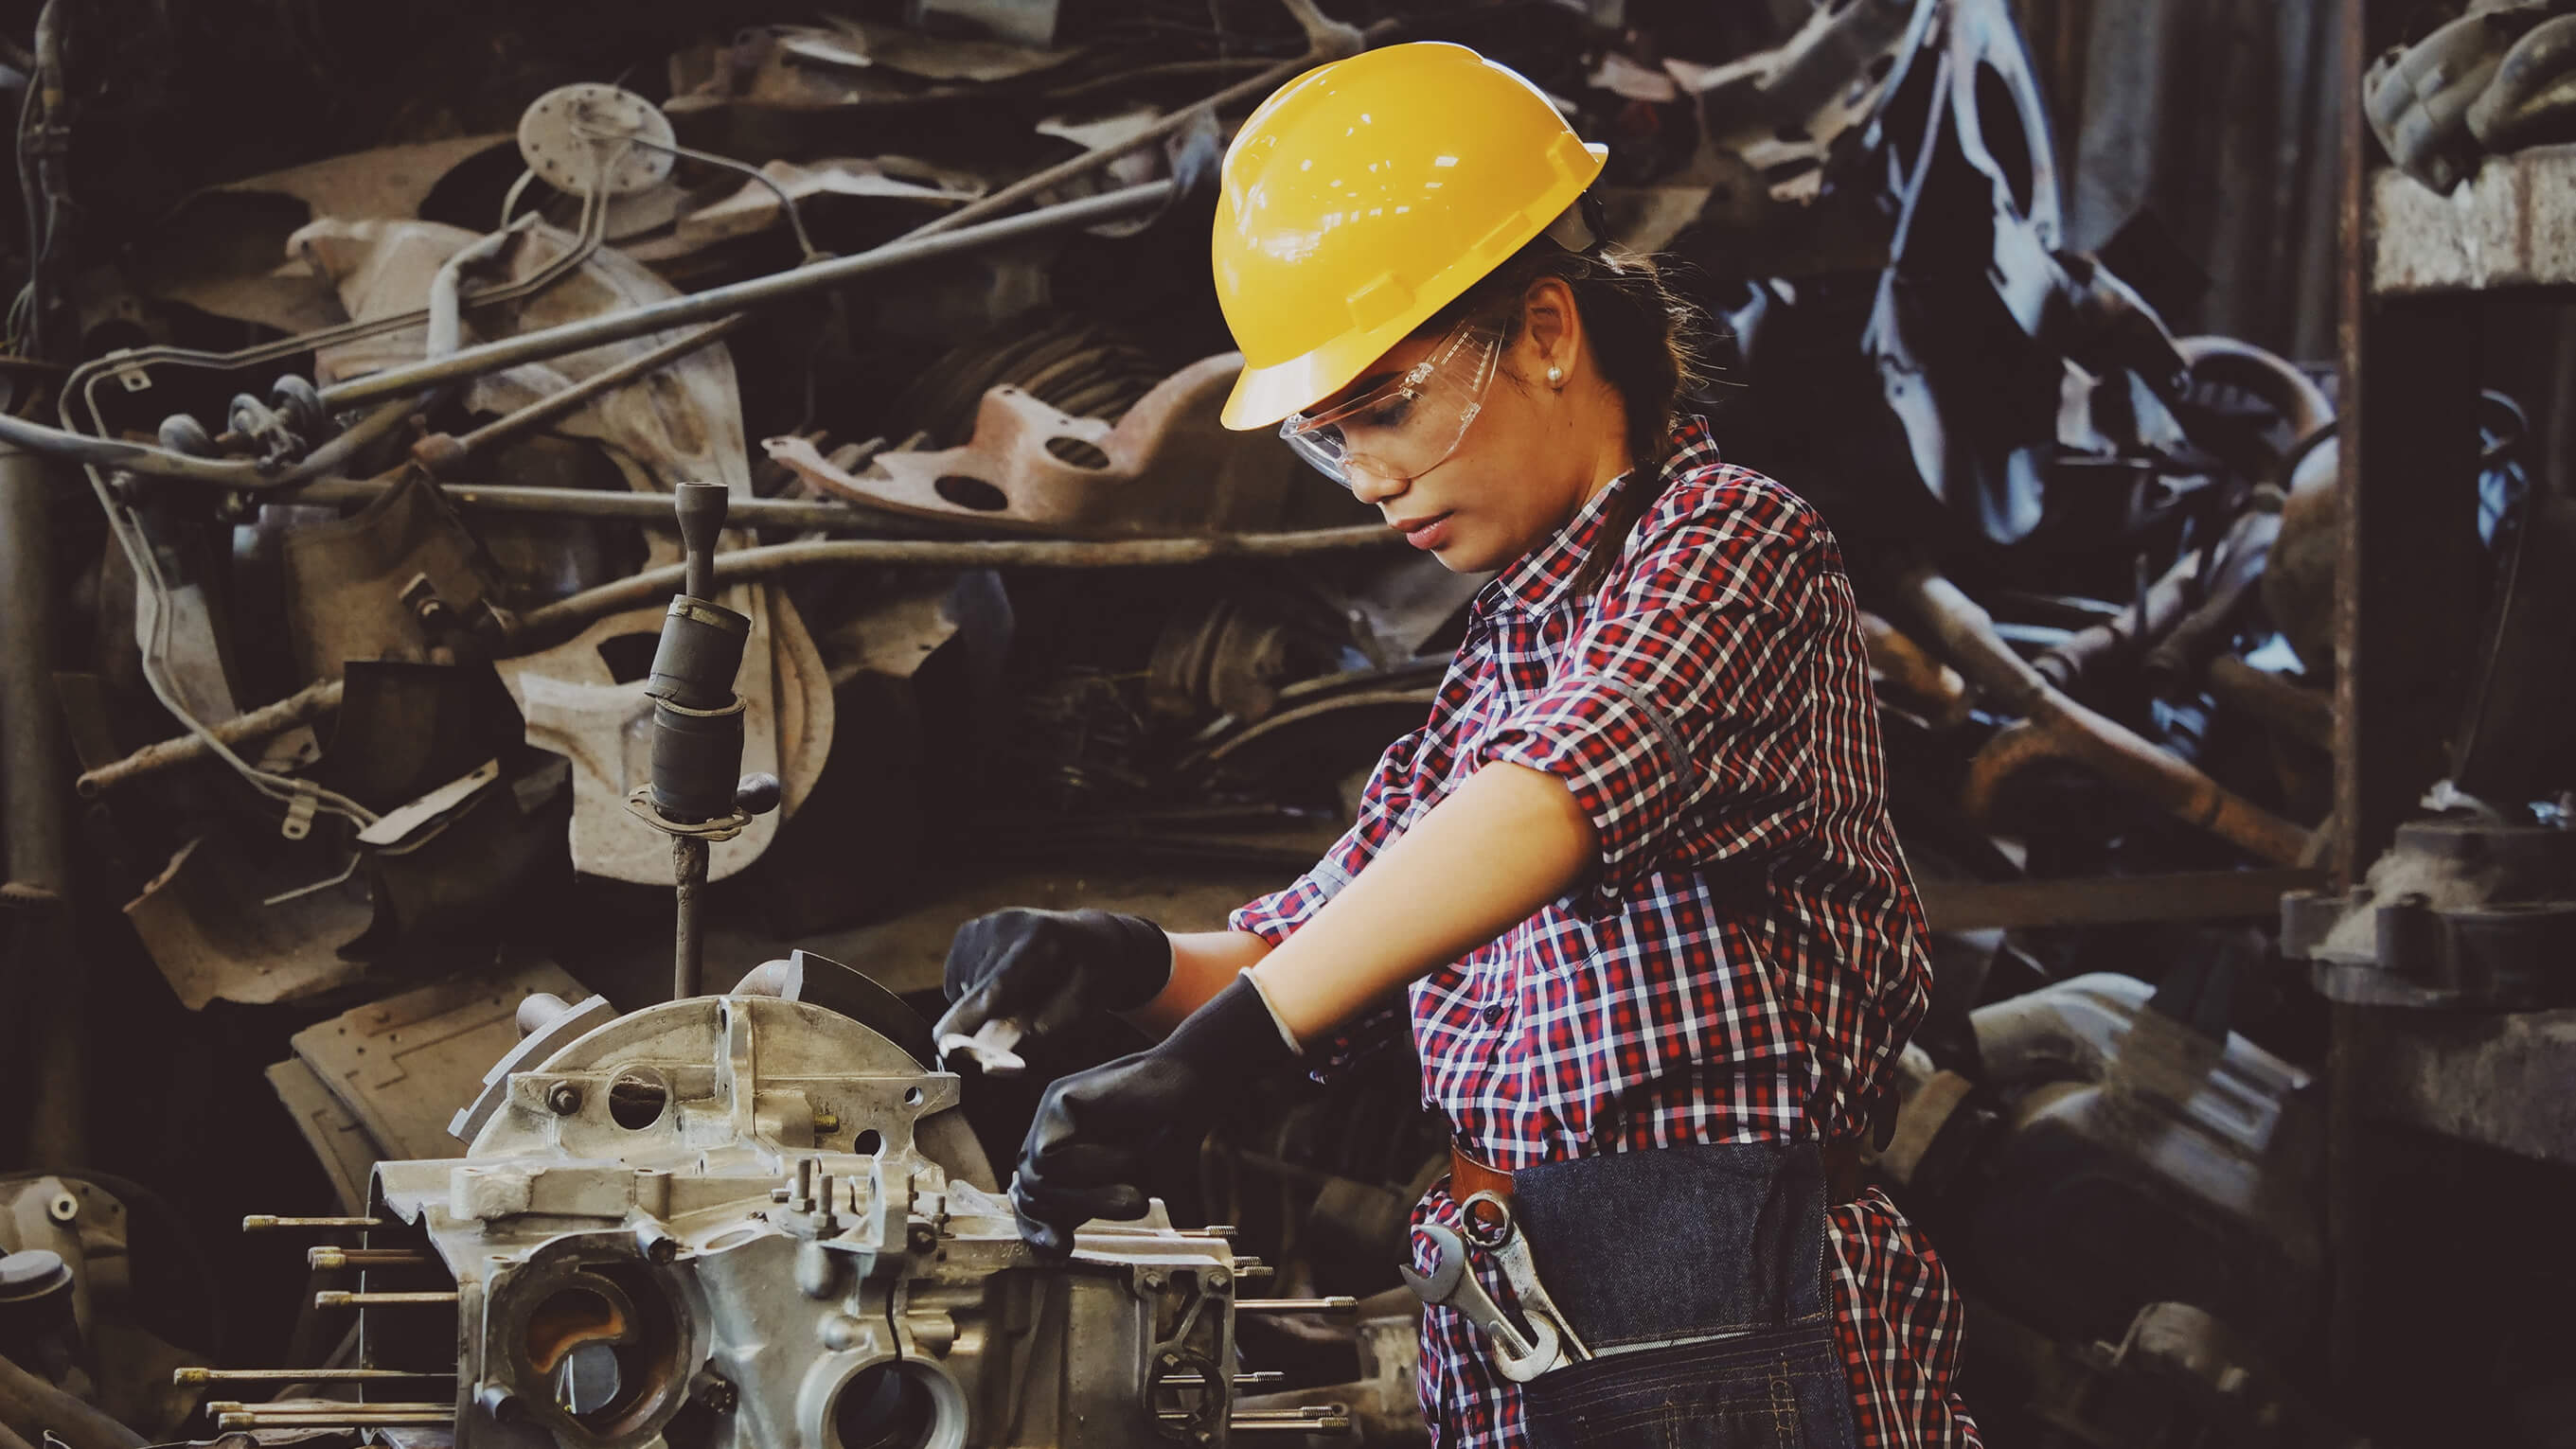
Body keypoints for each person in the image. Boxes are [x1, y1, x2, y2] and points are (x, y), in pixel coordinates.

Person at [933, 41, 1981, 1449]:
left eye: (1386, 408)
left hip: (1725, 1302)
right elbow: (1326, 941)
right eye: (1327, 439)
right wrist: (1121, 958)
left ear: (1546, 333)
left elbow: (1551, 802)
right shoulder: (1497, 655)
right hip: (1519, 1304)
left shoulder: (1729, 542)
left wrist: (1225, 1049)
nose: (1367, 480)